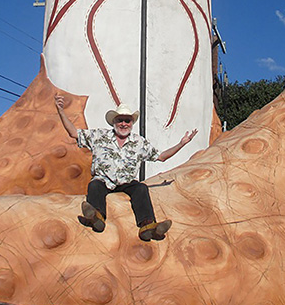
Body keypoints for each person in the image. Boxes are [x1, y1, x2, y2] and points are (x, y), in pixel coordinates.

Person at [55, 94, 198, 241]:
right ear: (114, 122)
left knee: (141, 188)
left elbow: (161, 157)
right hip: (104, 180)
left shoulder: (139, 142)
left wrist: (182, 144)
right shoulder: (99, 136)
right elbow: (74, 133)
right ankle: (96, 217)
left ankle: (148, 225)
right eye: (120, 120)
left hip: (126, 182)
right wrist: (61, 111)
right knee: (95, 185)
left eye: (127, 120)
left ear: (132, 123)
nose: (123, 124)